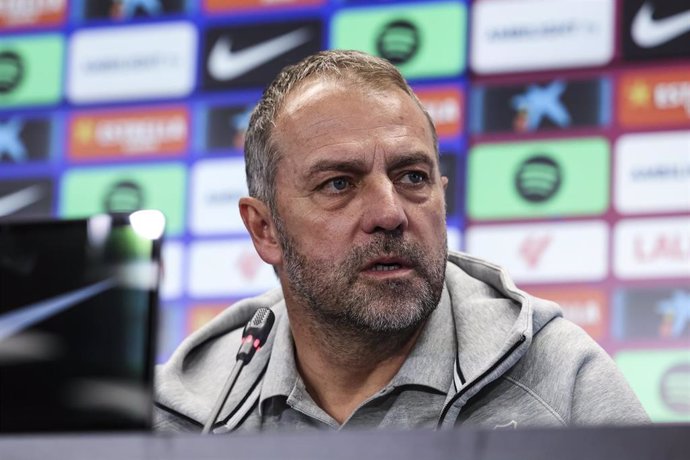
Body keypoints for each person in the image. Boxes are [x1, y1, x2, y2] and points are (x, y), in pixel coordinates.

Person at [154, 50, 649, 433]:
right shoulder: (193, 413)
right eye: (339, 184)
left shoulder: (562, 384)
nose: (389, 214)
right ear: (264, 229)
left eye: (412, 176)